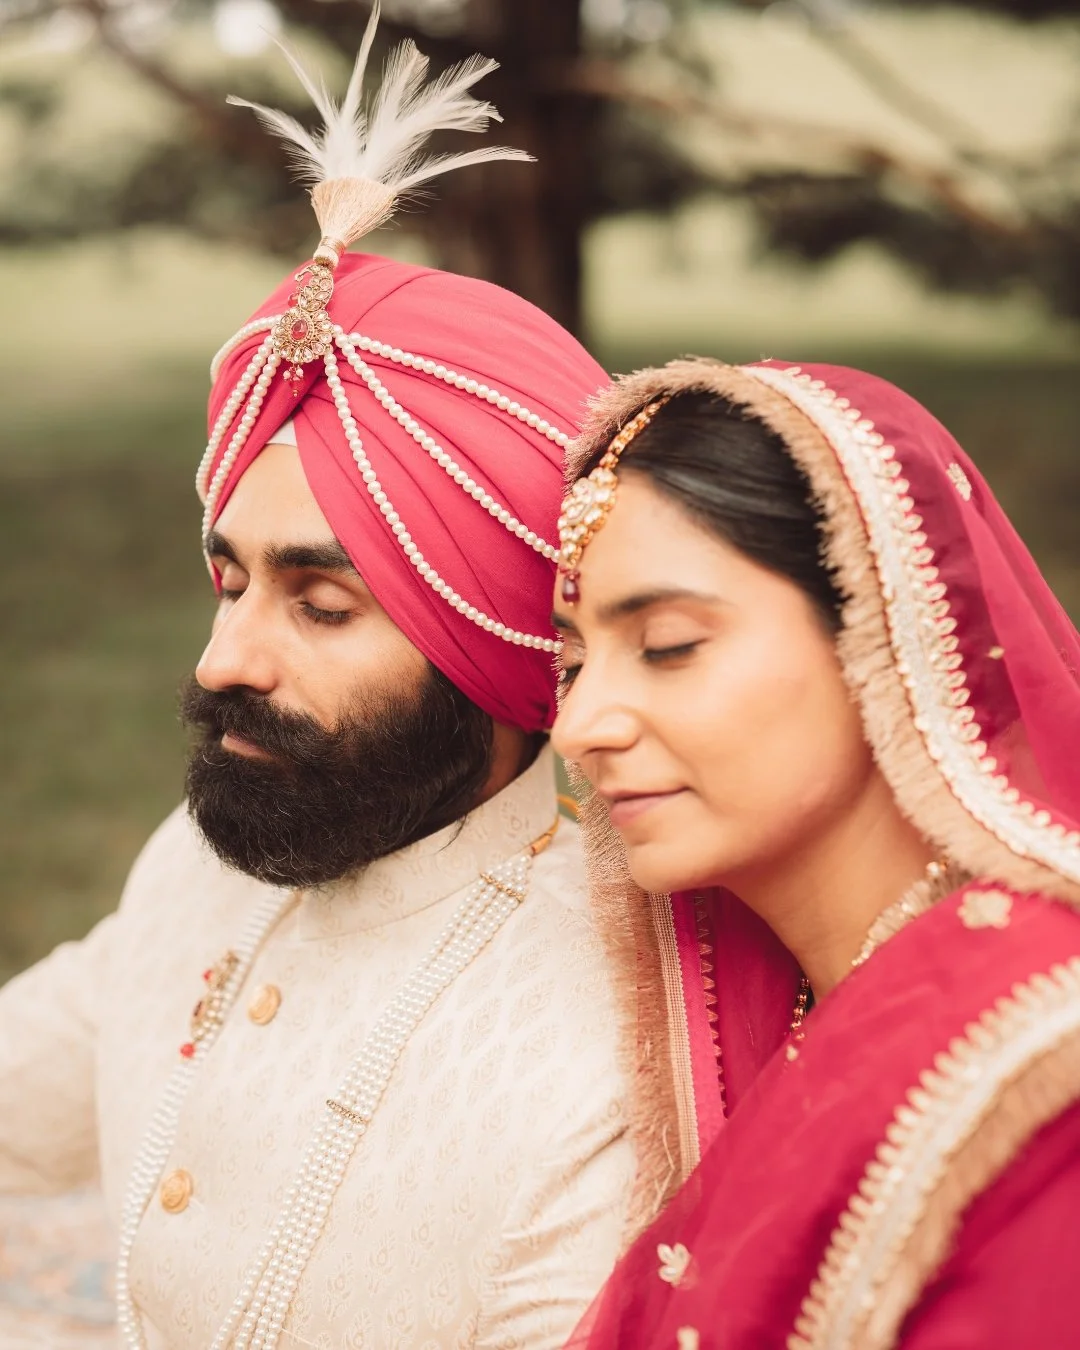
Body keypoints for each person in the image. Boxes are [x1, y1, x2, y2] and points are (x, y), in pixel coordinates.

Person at [0, 13, 634, 1349]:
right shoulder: (207, 855)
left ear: (498, 638)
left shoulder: (600, 1073)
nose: (221, 661)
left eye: (323, 600)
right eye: (229, 577)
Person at [550, 357, 1080, 1349]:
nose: (580, 724)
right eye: (571, 662)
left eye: (667, 644)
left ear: (880, 631)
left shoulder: (1034, 1068)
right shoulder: (784, 1012)